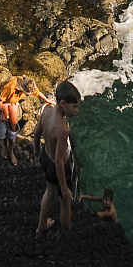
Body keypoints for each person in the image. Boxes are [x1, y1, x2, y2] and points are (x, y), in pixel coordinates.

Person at [33, 79, 81, 234]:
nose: (76, 110)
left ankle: (41, 226)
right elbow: (60, 162)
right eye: (74, 106)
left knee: (49, 192)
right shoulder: (62, 130)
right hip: (57, 168)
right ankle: (67, 232)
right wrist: (65, 188)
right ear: (62, 104)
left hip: (45, 158)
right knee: (65, 201)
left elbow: (36, 133)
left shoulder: (46, 111)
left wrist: (35, 152)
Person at [0, 75, 54, 166]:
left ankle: (10, 150)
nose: (28, 96)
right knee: (3, 124)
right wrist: (3, 114)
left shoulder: (29, 83)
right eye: (27, 94)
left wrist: (47, 100)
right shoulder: (10, 86)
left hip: (14, 99)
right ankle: (4, 146)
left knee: (13, 127)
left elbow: (37, 92)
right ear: (23, 89)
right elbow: (1, 98)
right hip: (3, 98)